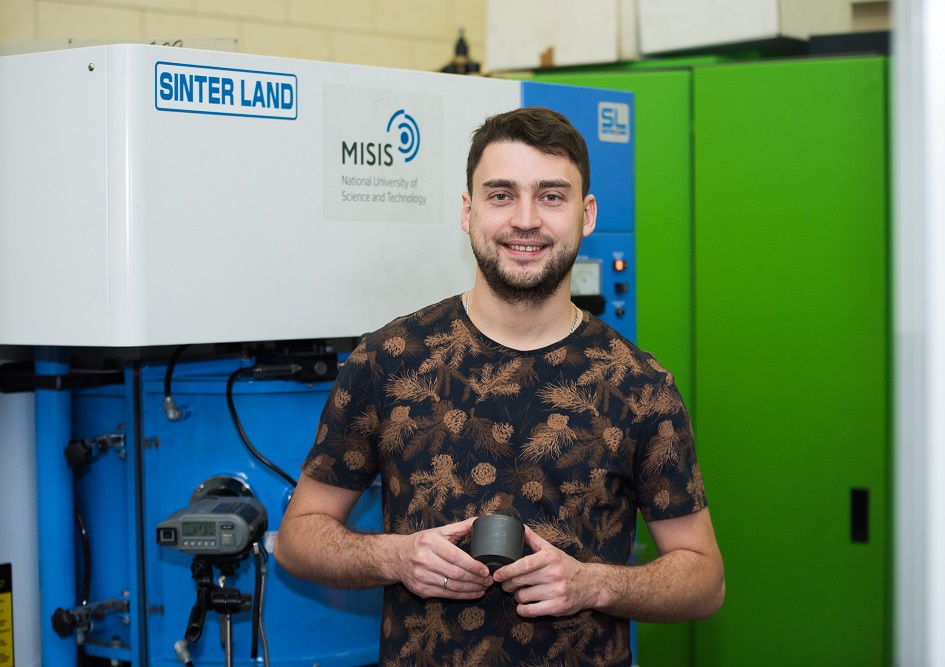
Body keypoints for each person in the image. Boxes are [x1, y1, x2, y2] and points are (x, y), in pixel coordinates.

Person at [274, 106, 725, 666]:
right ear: (468, 211)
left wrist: (593, 585)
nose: (526, 220)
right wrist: (396, 557)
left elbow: (704, 580)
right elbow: (298, 539)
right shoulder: (389, 360)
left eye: (552, 196)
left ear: (586, 215)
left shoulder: (638, 387)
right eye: (502, 195)